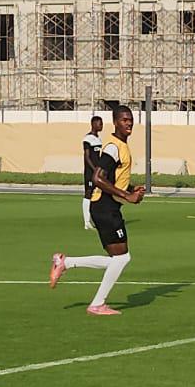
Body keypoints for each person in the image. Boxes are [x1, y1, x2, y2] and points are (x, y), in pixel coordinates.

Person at [49, 104, 145, 315]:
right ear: (116, 122)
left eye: (130, 119)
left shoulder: (121, 145)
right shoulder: (113, 147)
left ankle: (65, 263)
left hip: (106, 206)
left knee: (117, 259)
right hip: (105, 207)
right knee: (122, 259)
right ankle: (97, 304)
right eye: (124, 120)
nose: (128, 123)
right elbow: (98, 178)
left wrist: (130, 188)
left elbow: (112, 179)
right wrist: (127, 196)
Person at [81, 113, 104, 229]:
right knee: (88, 193)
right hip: (90, 172)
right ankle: (86, 222)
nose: (101, 126)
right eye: (100, 123)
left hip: (98, 171)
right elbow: (87, 156)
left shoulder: (98, 139)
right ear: (93, 124)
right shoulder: (87, 139)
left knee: (97, 194)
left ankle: (94, 218)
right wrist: (94, 169)